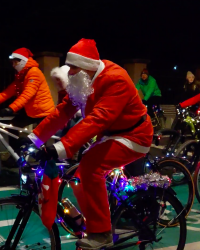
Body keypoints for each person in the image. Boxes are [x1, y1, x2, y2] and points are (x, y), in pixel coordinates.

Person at [24, 39, 153, 249]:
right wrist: (34, 138)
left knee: (91, 167)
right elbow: (64, 110)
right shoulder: (84, 79)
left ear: (87, 67)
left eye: (74, 67)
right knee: (77, 176)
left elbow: (99, 118)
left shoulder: (115, 78)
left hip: (135, 135)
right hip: (110, 133)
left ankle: (101, 233)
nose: (70, 71)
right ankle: (93, 220)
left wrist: (61, 148)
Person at [0, 48, 55, 166]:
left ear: (22, 61)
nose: (13, 65)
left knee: (40, 139)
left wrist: (11, 108)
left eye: (15, 62)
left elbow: (27, 95)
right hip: (31, 111)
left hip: (43, 111)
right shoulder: (22, 75)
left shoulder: (34, 73)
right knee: (12, 128)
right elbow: (8, 92)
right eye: (12, 63)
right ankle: (16, 156)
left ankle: (46, 165)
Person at [51, 65, 82, 138]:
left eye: (59, 79)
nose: (58, 82)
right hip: (68, 119)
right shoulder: (62, 92)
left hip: (78, 119)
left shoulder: (76, 91)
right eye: (56, 80)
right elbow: (60, 109)